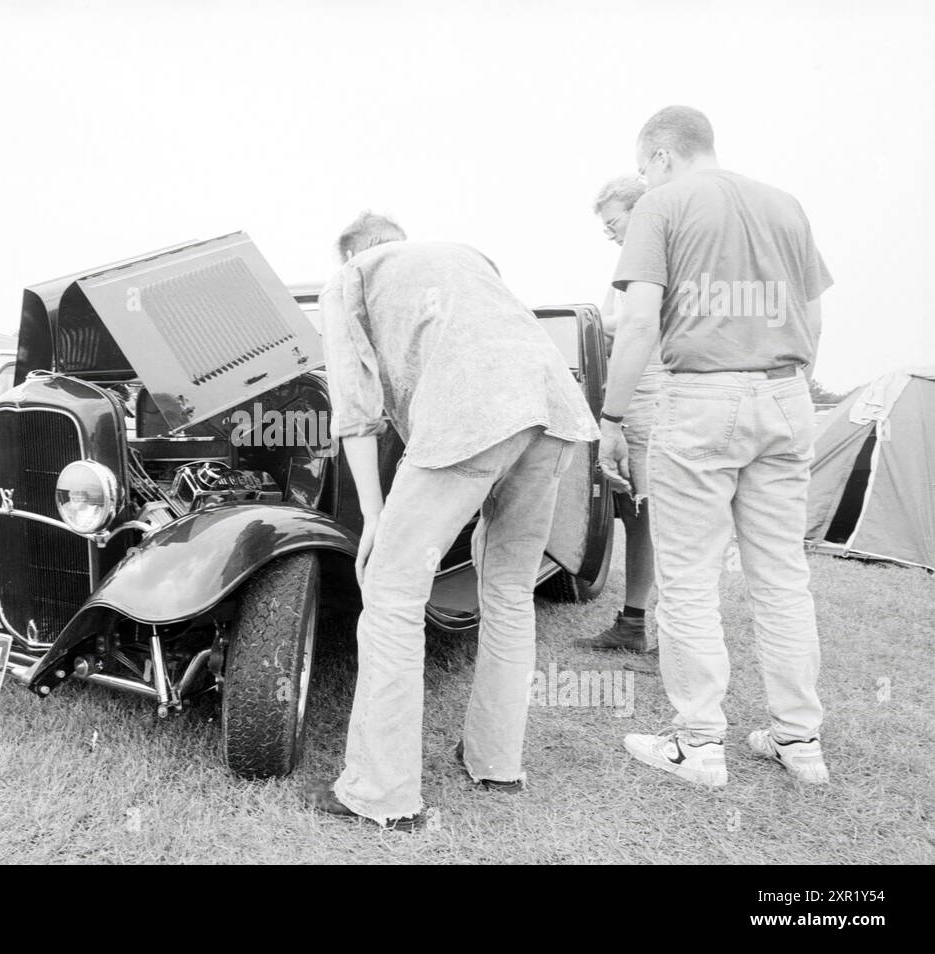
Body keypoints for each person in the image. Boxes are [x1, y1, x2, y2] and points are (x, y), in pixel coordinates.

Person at [305, 212, 599, 830]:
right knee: (512, 592)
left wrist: (375, 514)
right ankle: (496, 761)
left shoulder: (351, 277)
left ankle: (380, 794)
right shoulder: (464, 255)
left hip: (470, 413)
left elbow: (356, 411)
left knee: (390, 593)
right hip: (551, 411)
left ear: (351, 253)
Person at [600, 106, 832, 787]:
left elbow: (639, 320)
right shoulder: (786, 204)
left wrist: (612, 419)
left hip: (702, 397)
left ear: (662, 157)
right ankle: (799, 741)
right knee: (784, 577)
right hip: (788, 393)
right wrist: (786, 386)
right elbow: (814, 314)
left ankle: (699, 744)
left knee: (690, 579)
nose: (644, 177)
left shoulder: (661, 205)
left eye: (644, 167)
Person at [574, 175, 663, 675]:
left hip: (650, 397)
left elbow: (629, 325)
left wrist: (582, 319)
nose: (609, 233)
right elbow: (612, 320)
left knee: (659, 513)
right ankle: (632, 622)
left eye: (614, 222)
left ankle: (670, 641)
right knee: (635, 513)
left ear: (641, 209)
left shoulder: (662, 253)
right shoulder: (629, 260)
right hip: (627, 398)